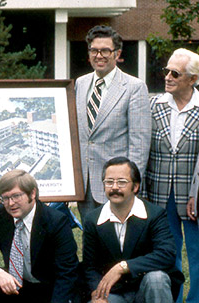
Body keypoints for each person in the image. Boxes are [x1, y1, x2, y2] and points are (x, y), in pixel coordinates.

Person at [75, 25, 151, 223]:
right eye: (94, 50)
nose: (99, 55)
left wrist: (130, 183)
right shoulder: (80, 84)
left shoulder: (134, 87)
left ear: (117, 53)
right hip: (84, 183)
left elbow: (140, 143)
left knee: (117, 242)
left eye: (105, 51)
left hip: (117, 185)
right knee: (90, 240)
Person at [83, 157, 183, 303]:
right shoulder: (93, 219)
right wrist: (95, 292)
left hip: (147, 288)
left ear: (135, 187)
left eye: (122, 182)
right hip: (113, 292)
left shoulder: (155, 214)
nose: (115, 187)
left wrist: (124, 267)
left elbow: (166, 254)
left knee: (157, 278)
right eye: (109, 182)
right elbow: (89, 267)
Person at [0, 170, 78, 303]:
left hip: (48, 288)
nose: (10, 203)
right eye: (5, 198)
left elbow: (67, 272)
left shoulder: (56, 221)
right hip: (17, 285)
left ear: (32, 193)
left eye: (16, 196)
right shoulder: (0, 215)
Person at [146, 48, 199, 303]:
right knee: (168, 252)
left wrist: (195, 193)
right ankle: (172, 299)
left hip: (194, 196)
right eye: (166, 70)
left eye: (175, 73)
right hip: (159, 193)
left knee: (198, 253)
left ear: (193, 79)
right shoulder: (153, 105)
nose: (167, 76)